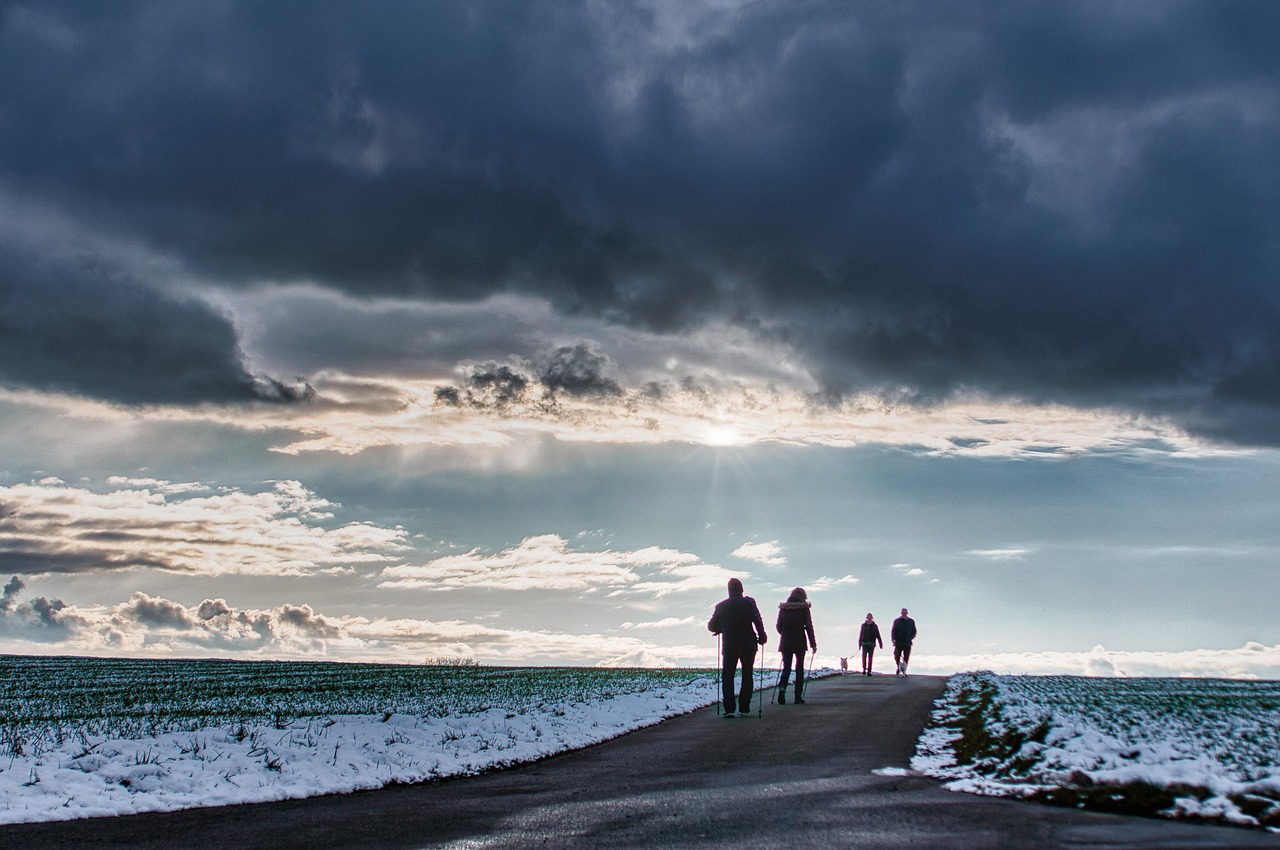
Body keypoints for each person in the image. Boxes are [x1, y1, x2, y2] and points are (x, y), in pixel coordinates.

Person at [708, 577, 767, 717]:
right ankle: (744, 707)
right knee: (747, 675)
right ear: (741, 589)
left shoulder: (721, 606)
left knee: (728, 676)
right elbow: (757, 620)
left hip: (730, 644)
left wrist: (721, 628)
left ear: (729, 590)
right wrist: (762, 636)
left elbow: (711, 626)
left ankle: (729, 709)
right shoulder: (749, 602)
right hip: (748, 644)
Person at [775, 587, 817, 704]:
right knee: (799, 668)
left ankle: (782, 688)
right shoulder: (804, 608)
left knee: (786, 667)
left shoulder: (784, 608)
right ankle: (798, 696)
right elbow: (809, 627)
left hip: (786, 641)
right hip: (800, 641)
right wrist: (813, 644)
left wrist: (784, 633)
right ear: (803, 596)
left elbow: (778, 626)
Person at [891, 607, 917, 676]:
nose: (904, 614)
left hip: (907, 642)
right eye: (903, 613)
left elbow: (914, 631)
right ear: (901, 613)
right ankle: (899, 667)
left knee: (906, 657)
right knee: (896, 656)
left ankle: (904, 670)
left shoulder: (911, 621)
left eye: (905, 613)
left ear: (907, 613)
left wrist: (910, 638)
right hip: (898, 642)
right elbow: (893, 631)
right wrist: (893, 639)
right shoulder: (897, 621)